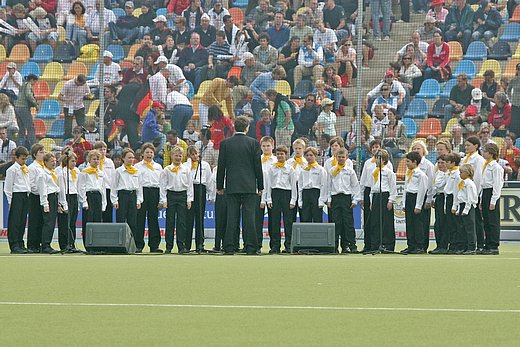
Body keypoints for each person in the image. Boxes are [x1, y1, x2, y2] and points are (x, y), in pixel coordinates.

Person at [216, 116, 264, 255]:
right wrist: (260, 186)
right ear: (247, 128)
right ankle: (251, 247)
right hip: (249, 186)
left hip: (232, 186)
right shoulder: (254, 143)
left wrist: (220, 186)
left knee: (232, 217)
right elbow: (257, 167)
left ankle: (229, 247)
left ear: (234, 127)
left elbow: (221, 167)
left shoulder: (225, 144)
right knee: (249, 217)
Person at [160, 145, 193, 253]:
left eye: (180, 155)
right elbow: (163, 186)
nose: (178, 157)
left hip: (182, 196)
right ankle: (168, 246)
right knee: (169, 221)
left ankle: (181, 246)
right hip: (171, 196)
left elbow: (189, 186)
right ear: (171, 156)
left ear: (182, 157)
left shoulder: (186, 169)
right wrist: (163, 200)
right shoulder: (167, 169)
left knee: (182, 222)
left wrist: (189, 199)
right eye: (176, 155)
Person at [327, 147, 360, 253]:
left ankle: (350, 246)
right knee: (336, 223)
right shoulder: (332, 170)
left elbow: (355, 186)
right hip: (335, 198)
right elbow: (328, 185)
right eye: (339, 157)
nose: (341, 159)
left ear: (346, 158)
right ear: (336, 158)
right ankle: (334, 246)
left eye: (343, 157)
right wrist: (328, 199)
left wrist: (355, 200)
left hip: (346, 198)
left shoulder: (350, 171)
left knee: (348, 223)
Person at [265, 145, 297, 253]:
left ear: (286, 155)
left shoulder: (290, 169)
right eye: (278, 154)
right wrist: (268, 199)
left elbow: (293, 185)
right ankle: (275, 246)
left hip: (286, 194)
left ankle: (288, 246)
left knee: (288, 221)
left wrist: (293, 200)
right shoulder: (271, 168)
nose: (279, 156)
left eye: (281, 154)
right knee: (274, 221)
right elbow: (268, 184)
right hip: (275, 194)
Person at [135, 143, 164, 253]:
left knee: (153, 219)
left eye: (151, 152)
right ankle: (138, 245)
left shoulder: (158, 167)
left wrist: (162, 199)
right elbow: (137, 183)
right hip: (142, 192)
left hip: (154, 193)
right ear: (142, 154)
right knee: (140, 219)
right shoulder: (137, 167)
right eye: (147, 152)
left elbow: (162, 184)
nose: (149, 154)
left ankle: (154, 245)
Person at [366, 149, 397, 252]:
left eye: (379, 158)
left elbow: (393, 187)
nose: (377, 160)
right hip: (376, 196)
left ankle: (387, 244)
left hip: (385, 195)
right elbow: (372, 187)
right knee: (375, 221)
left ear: (384, 160)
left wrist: (391, 200)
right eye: (376, 158)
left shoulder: (388, 172)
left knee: (386, 222)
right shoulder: (373, 172)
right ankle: (375, 244)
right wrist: (371, 201)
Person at [112, 148, 143, 249]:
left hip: (132, 196)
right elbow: (114, 187)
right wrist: (115, 200)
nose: (131, 160)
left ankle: (132, 246)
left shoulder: (136, 171)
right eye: (129, 157)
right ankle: (119, 245)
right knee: (121, 220)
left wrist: (139, 200)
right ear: (123, 158)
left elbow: (139, 188)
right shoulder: (118, 171)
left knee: (133, 222)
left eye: (133, 158)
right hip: (122, 195)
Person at [184, 145, 212, 252]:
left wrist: (210, 194)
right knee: (189, 219)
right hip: (190, 190)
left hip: (201, 189)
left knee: (200, 218)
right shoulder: (186, 166)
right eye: (192, 154)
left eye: (196, 153)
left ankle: (200, 244)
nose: (195, 156)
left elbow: (209, 180)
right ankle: (187, 245)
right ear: (189, 155)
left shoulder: (204, 165)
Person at [402, 151, 429, 254]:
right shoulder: (408, 173)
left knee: (418, 224)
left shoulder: (421, 175)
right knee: (409, 223)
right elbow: (406, 188)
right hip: (409, 198)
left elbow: (422, 190)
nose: (407, 163)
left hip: (416, 198)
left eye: (408, 161)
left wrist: (418, 205)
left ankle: (420, 246)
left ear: (415, 162)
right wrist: (404, 203)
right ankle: (411, 245)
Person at [5, 146, 30, 254]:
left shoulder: (25, 168)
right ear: (16, 158)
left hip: (25, 195)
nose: (24, 161)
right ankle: (14, 244)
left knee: (22, 220)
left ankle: (20, 242)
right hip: (17, 196)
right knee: (15, 221)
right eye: (22, 159)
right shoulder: (11, 170)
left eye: (25, 159)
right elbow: (8, 187)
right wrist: (10, 201)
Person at [78, 150, 107, 242]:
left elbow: (103, 188)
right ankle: (87, 242)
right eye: (94, 159)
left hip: (97, 196)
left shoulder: (101, 172)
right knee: (88, 220)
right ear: (89, 160)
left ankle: (97, 242)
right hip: (89, 196)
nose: (96, 161)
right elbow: (81, 187)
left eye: (98, 159)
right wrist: (84, 202)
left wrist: (104, 202)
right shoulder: (84, 172)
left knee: (98, 220)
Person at [481, 143, 504, 255]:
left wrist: (493, 200)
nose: (483, 153)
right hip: (485, 192)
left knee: (493, 221)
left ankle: (494, 245)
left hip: (491, 193)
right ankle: (487, 243)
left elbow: (497, 185)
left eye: (485, 151)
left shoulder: (496, 167)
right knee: (486, 220)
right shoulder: (485, 165)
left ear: (491, 153)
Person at [452, 164, 478, 254]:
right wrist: (459, 208)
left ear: (467, 173)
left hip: (468, 206)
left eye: (461, 172)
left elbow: (470, 198)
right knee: (462, 227)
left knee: (470, 228)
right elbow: (460, 196)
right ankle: (464, 246)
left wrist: (466, 209)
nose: (460, 174)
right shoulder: (462, 183)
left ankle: (471, 247)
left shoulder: (469, 184)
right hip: (462, 205)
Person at [57, 151, 80, 252]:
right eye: (72, 161)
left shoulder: (77, 171)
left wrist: (78, 204)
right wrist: (64, 204)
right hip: (66, 197)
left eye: (75, 161)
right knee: (64, 223)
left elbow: (78, 187)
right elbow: (62, 189)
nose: (74, 163)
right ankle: (64, 244)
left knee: (72, 223)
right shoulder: (62, 172)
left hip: (74, 197)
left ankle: (72, 243)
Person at [38, 152, 61, 254]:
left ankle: (48, 243)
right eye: (51, 161)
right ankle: (45, 245)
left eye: (55, 161)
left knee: (52, 222)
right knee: (48, 222)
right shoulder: (43, 174)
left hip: (54, 197)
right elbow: (43, 190)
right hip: (49, 198)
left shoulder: (53, 173)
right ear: (45, 162)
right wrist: (45, 203)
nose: (54, 163)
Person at [298, 146, 328, 223]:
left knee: (317, 217)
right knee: (305, 217)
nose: (309, 157)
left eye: (311, 155)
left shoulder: (320, 169)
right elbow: (300, 186)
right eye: (307, 155)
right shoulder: (303, 170)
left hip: (316, 193)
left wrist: (321, 200)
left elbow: (323, 185)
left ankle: (317, 234)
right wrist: (300, 200)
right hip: (306, 194)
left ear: (315, 156)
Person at [258, 136, 277, 251]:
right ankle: (257, 245)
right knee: (257, 220)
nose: (266, 148)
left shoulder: (276, 161)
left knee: (273, 220)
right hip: (259, 192)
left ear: (273, 146)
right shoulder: (256, 159)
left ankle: (274, 246)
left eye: (268, 146)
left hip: (273, 193)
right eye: (264, 146)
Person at [27, 144, 46, 253]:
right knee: (34, 220)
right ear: (35, 154)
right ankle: (32, 244)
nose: (43, 154)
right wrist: (39, 191)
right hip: (35, 196)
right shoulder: (32, 168)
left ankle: (38, 243)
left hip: (43, 196)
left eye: (43, 152)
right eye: (41, 152)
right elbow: (31, 184)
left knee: (41, 221)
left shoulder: (44, 166)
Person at [59, 74, 90, 139]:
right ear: (77, 80)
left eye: (82, 84)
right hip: (69, 107)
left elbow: (88, 93)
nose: (81, 85)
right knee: (68, 126)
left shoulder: (85, 84)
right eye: (80, 84)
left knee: (82, 125)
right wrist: (67, 99)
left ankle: (83, 140)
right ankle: (67, 140)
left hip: (80, 107)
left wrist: (87, 96)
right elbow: (60, 96)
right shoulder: (68, 84)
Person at [429, 153, 449, 254]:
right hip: (438, 197)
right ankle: (439, 245)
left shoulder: (449, 174)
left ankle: (444, 245)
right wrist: (432, 198)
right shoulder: (438, 173)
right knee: (438, 223)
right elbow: (435, 186)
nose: (440, 165)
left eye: (443, 163)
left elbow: (442, 186)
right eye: (439, 162)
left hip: (445, 198)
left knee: (445, 223)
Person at [14, 74, 39, 147]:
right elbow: (28, 95)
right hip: (23, 108)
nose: (34, 83)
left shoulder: (22, 85)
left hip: (17, 108)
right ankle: (34, 146)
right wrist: (36, 104)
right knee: (30, 128)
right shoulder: (28, 85)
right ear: (31, 80)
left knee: (21, 129)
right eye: (34, 81)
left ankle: (20, 146)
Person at [444, 152, 461, 253]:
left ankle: (456, 245)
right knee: (450, 224)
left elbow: (456, 191)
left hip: (454, 199)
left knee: (455, 224)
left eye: (447, 162)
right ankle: (452, 244)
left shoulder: (457, 174)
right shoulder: (450, 173)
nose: (445, 164)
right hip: (449, 198)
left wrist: (454, 205)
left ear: (453, 162)